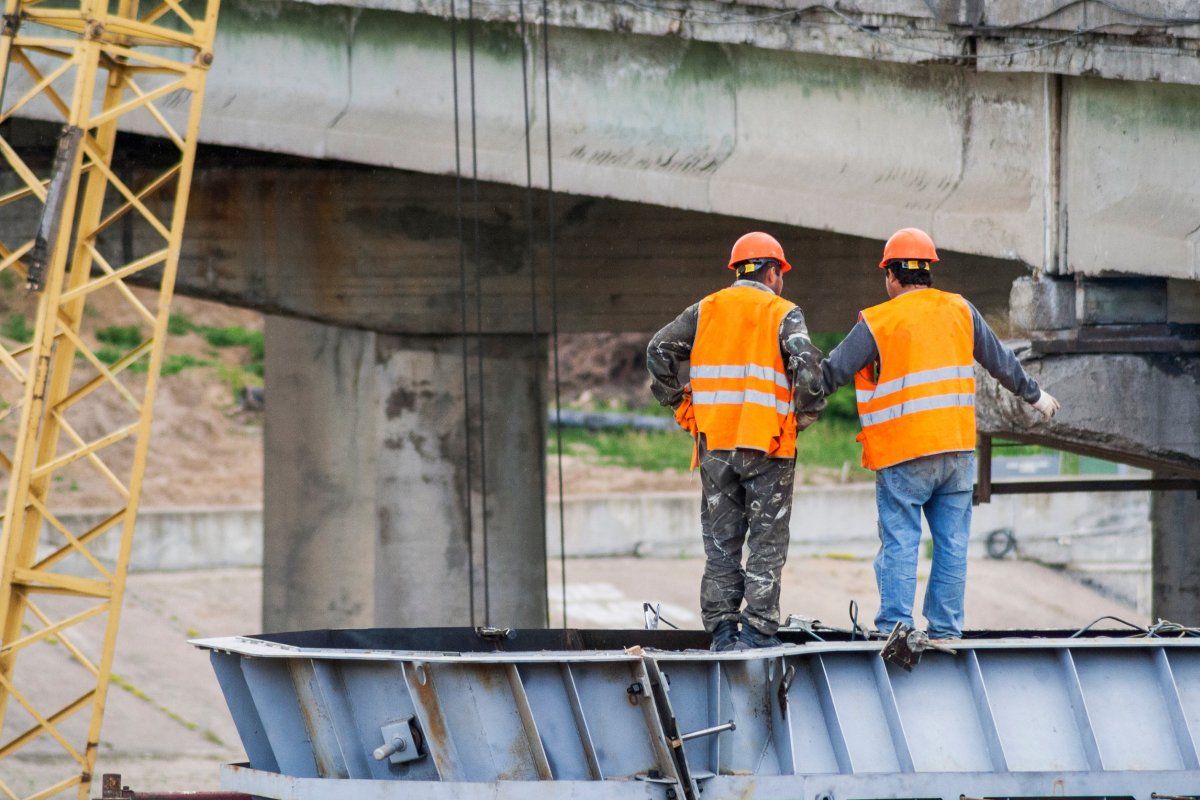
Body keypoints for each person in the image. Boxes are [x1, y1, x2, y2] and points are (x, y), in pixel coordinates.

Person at [819, 227, 1060, 640]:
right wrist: (1035, 395)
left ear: (891, 276)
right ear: (928, 271)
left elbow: (831, 373)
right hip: (956, 451)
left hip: (904, 454)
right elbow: (1000, 361)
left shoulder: (879, 320)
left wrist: (794, 404)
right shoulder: (960, 310)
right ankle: (946, 631)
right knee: (952, 546)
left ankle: (896, 629)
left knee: (900, 543)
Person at [647, 232, 825, 651]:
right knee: (766, 542)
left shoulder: (704, 310)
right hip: (768, 446)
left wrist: (679, 403)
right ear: (773, 271)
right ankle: (757, 631)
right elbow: (810, 370)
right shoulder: (783, 312)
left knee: (721, 543)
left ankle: (724, 631)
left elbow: (658, 350)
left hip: (715, 443)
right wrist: (802, 417)